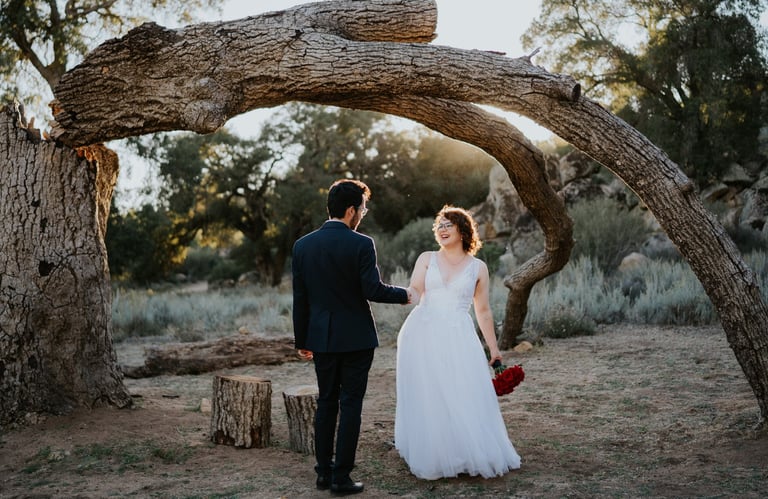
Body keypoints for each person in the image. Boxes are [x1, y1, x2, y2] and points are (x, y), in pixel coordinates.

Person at [292, 179, 414, 496]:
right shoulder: (361, 243)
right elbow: (372, 290)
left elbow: (300, 299)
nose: (364, 212)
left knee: (326, 403)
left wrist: (301, 340)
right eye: (362, 207)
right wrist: (406, 295)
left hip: (320, 338)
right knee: (351, 406)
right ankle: (341, 478)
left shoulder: (302, 245)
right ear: (351, 210)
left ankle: (323, 474)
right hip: (357, 339)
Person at [395, 205, 521, 480]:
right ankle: (436, 453)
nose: (441, 229)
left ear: (463, 231)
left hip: (458, 333)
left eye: (447, 224)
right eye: (438, 225)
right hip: (422, 331)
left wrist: (494, 348)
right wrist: (393, 294)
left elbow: (483, 311)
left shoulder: (478, 267)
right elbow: (415, 292)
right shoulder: (427, 259)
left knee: (461, 390)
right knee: (431, 392)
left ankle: (466, 451)